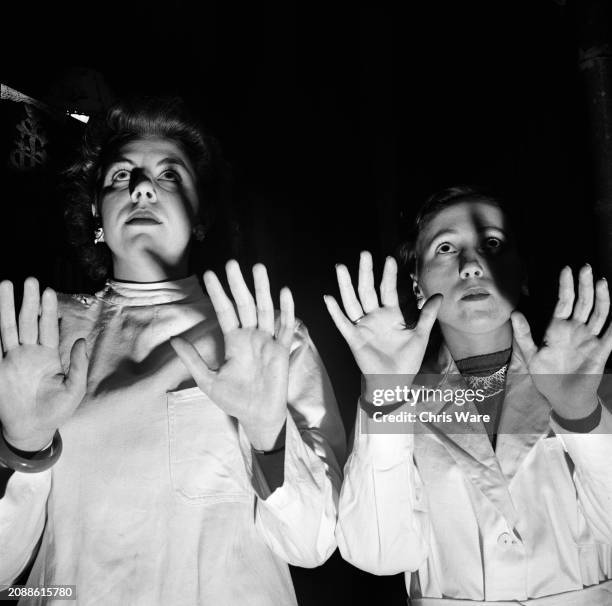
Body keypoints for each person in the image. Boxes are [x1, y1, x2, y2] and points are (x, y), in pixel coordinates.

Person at [0, 97, 345, 606]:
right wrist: (22, 448)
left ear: (200, 210)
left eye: (169, 176)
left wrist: (268, 435)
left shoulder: (268, 336)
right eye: (121, 176)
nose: (142, 186)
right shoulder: (39, 336)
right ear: (96, 208)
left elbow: (313, 543)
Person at [324, 186, 612, 605]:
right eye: (445, 248)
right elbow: (379, 553)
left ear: (523, 272)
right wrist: (384, 399)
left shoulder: (592, 386)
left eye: (492, 244)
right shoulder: (395, 399)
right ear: (417, 285)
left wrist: (579, 414)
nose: (472, 265)